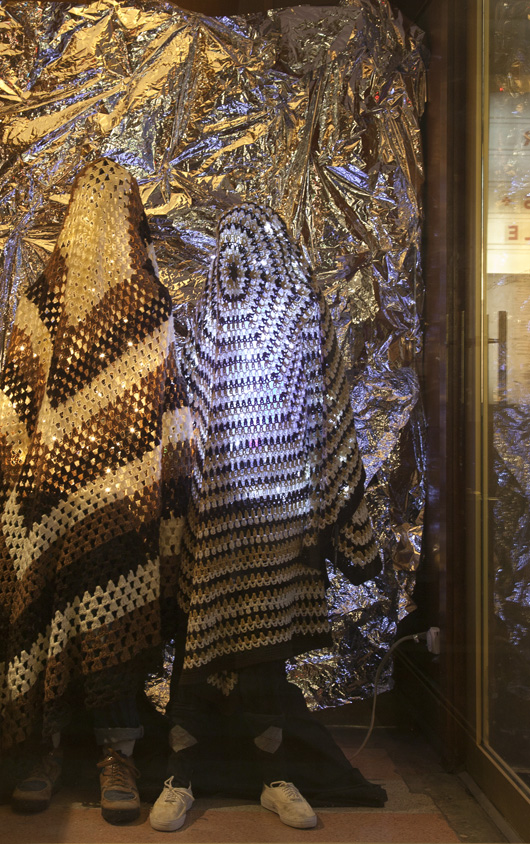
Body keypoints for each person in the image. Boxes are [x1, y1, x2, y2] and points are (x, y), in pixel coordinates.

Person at [0, 158, 193, 823]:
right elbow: (12, 408)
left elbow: (167, 412)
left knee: (115, 602)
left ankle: (117, 753)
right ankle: (41, 748)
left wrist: (153, 489)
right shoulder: (41, 301)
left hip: (122, 500)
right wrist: (27, 480)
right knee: (40, 596)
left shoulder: (150, 305)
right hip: (49, 494)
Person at [149, 203, 385, 832]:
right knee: (199, 653)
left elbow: (330, 414)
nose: (235, 260)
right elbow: (178, 416)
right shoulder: (203, 317)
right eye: (226, 246)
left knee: (262, 658)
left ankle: (274, 779)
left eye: (244, 246)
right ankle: (180, 776)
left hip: (281, 523)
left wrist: (342, 519)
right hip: (214, 522)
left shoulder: (304, 316)